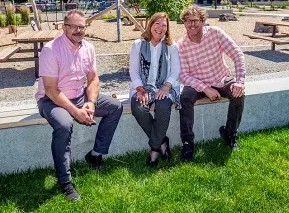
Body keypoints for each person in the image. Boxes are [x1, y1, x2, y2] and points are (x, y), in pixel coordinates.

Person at [36, 10, 123, 201]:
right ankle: (65, 181)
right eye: (73, 26)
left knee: (115, 107)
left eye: (81, 27)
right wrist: (75, 111)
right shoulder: (51, 50)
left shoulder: (89, 48)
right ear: (64, 27)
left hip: (80, 96)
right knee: (65, 124)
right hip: (52, 101)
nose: (77, 30)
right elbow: (51, 89)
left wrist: (91, 102)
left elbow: (93, 78)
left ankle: (95, 155)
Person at [176, 5, 246, 161]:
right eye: (187, 21)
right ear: (184, 23)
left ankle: (230, 133)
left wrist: (240, 81)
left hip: (220, 78)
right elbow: (183, 75)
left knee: (238, 94)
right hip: (197, 83)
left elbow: (237, 54)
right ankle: (187, 142)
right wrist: (205, 88)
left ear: (202, 21)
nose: (191, 24)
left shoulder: (216, 33)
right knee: (185, 99)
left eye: (195, 20)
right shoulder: (180, 45)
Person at [128, 12, 181, 168]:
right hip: (143, 86)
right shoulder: (138, 44)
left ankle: (154, 149)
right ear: (150, 25)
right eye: (157, 24)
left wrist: (166, 86)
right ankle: (162, 141)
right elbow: (133, 70)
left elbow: (176, 70)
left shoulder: (171, 46)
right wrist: (140, 89)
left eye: (164, 25)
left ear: (167, 28)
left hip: (165, 86)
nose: (160, 28)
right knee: (138, 107)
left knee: (164, 105)